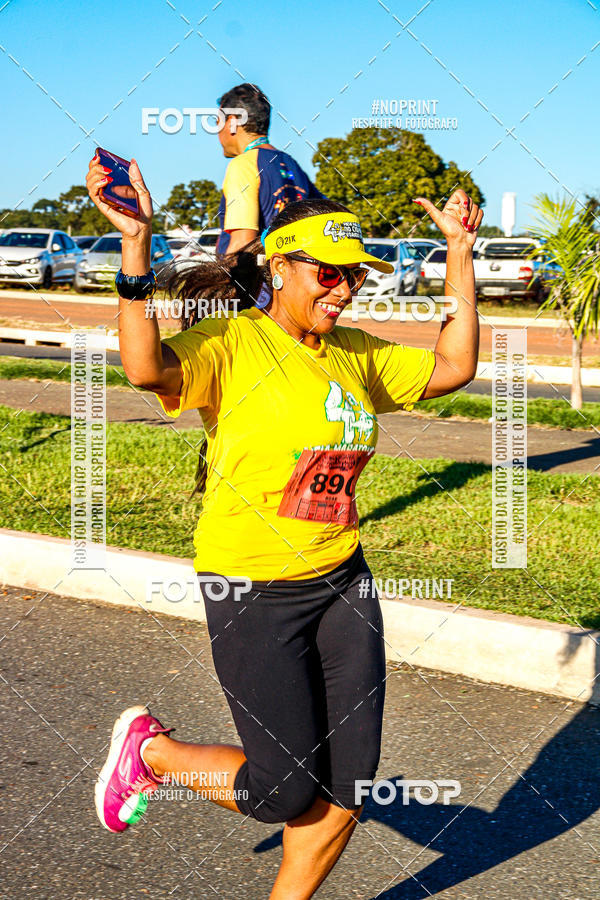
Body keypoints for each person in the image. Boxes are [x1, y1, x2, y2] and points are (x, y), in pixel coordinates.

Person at [85, 150, 482, 900]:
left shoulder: (353, 355)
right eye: (327, 273)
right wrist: (135, 253)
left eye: (354, 275)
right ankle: (153, 751)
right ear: (279, 267)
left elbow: (451, 369)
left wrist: (460, 257)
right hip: (253, 586)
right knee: (281, 792)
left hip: (342, 581)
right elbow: (146, 370)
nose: (343, 289)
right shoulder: (233, 344)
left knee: (348, 791)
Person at [214, 83, 323, 281]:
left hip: (254, 288)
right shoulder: (292, 165)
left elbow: (242, 244)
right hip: (287, 284)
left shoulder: (244, 165)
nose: (216, 131)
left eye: (217, 121)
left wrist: (220, 289)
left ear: (231, 122)